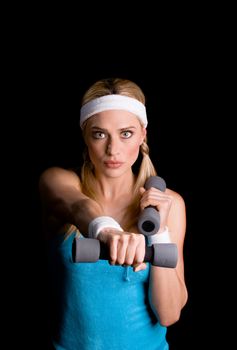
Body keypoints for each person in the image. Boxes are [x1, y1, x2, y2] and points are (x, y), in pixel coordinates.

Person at [39, 77, 188, 350]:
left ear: (143, 134)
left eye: (126, 133)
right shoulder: (57, 181)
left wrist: (160, 233)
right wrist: (106, 230)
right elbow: (78, 206)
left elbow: (168, 314)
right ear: (85, 135)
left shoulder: (170, 204)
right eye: (99, 134)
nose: (112, 149)